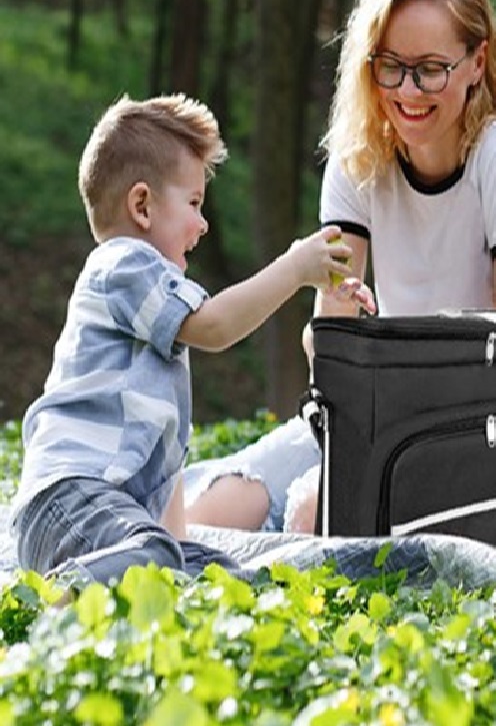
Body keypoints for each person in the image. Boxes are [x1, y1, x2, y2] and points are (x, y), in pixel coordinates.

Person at [183, 0, 496, 534]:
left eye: (431, 68)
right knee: (216, 509)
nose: (409, 91)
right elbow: (331, 342)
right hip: (368, 416)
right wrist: (334, 348)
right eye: (390, 66)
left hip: (475, 433)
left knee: (312, 515)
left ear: (477, 63)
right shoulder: (358, 161)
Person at [11, 94, 373, 586]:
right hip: (68, 501)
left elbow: (165, 488)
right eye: (195, 203)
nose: (203, 223)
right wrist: (295, 268)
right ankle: (59, 601)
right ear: (141, 204)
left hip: (109, 520)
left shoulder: (151, 319)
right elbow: (217, 326)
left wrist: (189, 559)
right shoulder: (124, 263)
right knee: (154, 555)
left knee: (224, 577)